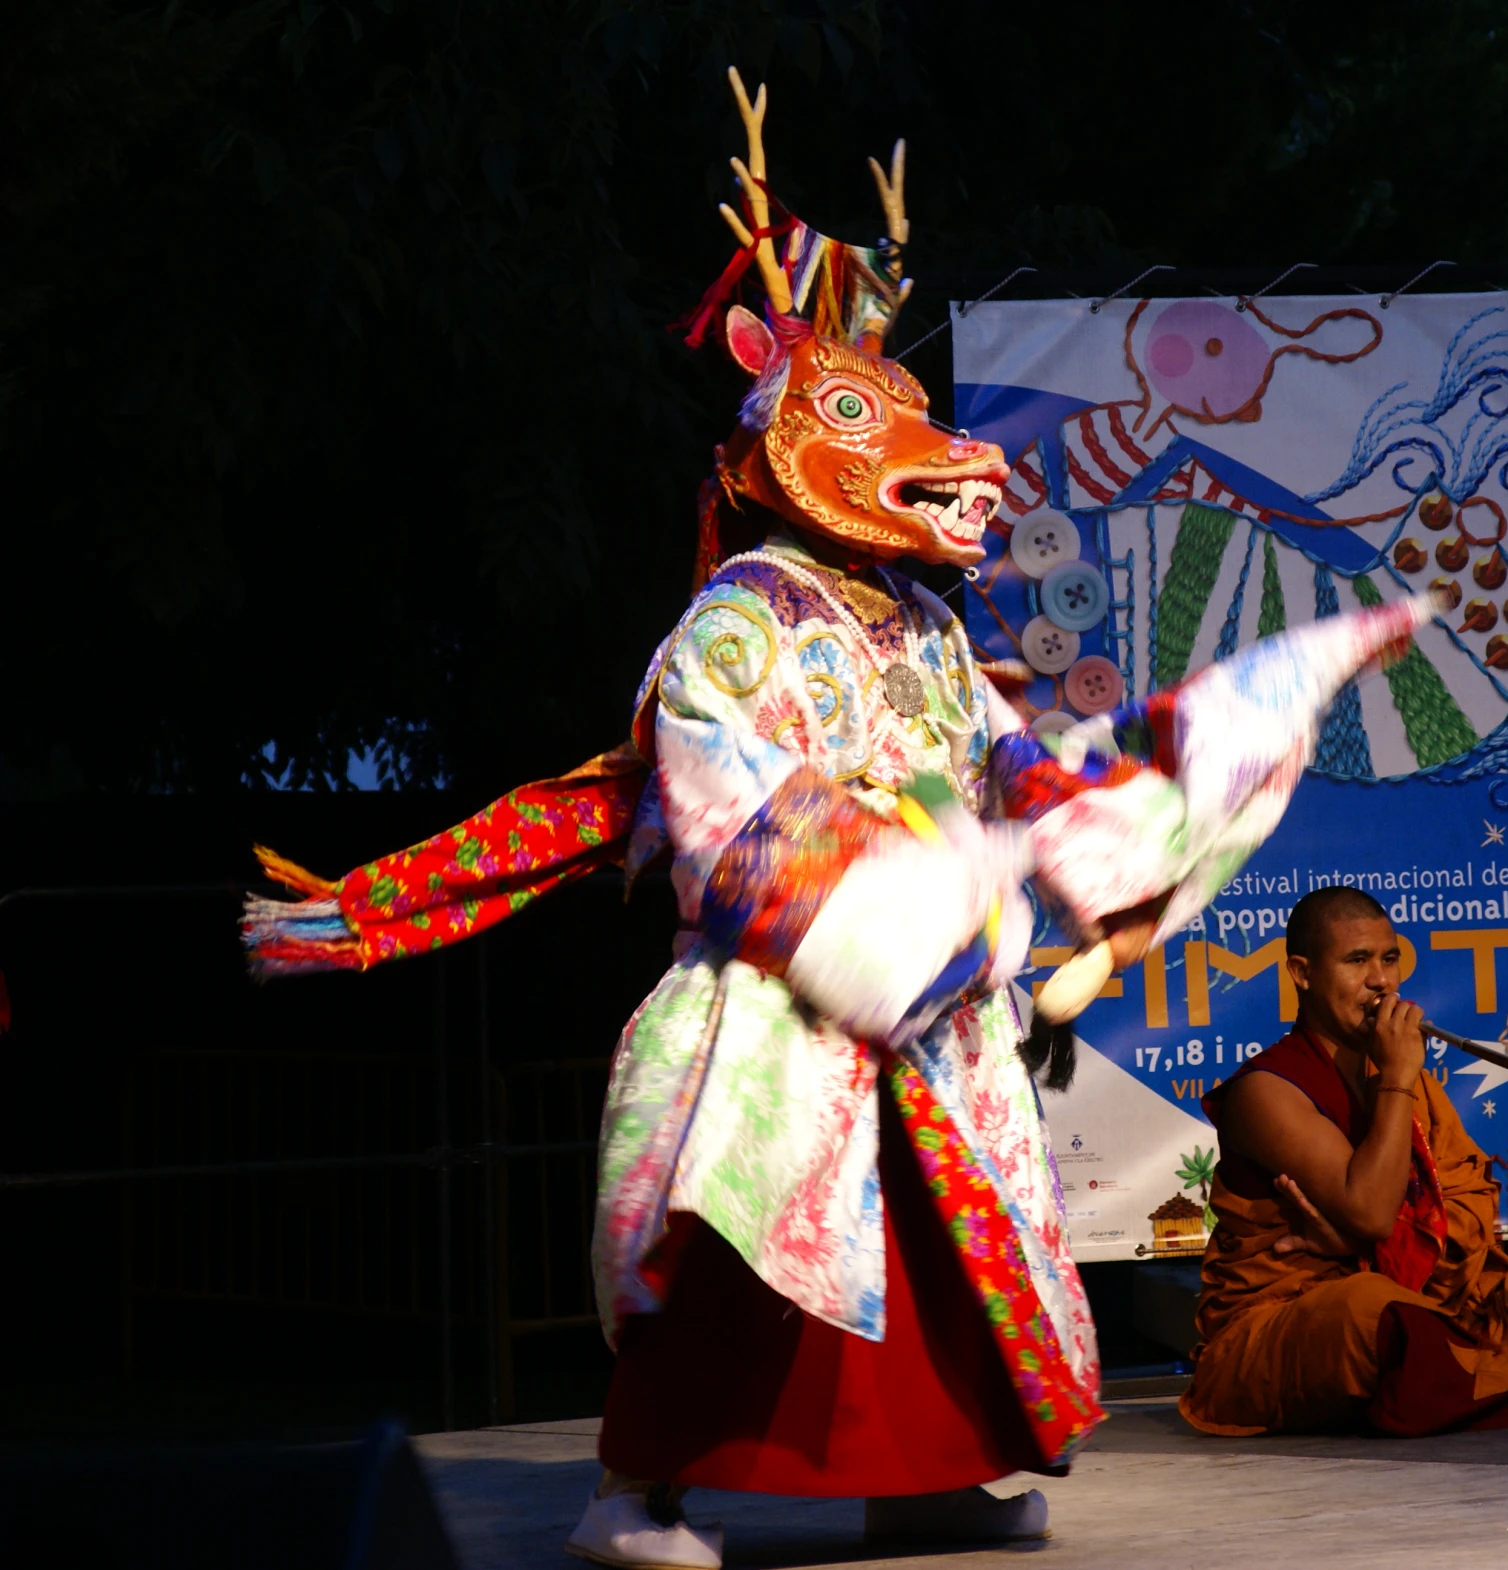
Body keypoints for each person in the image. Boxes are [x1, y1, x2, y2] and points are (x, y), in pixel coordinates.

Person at [240, 70, 1428, 1568]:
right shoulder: (739, 617)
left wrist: (1168, 778)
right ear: (783, 451)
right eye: (877, 424)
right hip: (785, 989)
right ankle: (638, 1492)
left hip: (925, 996)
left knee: (943, 1249)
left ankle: (919, 1476)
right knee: (742, 1239)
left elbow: (1022, 777)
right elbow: (718, 794)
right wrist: (886, 900)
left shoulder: (929, 628)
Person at [1178, 886, 1508, 1436]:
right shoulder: (1269, 1090)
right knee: (1374, 1315)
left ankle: (1479, 1386)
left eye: (1390, 958)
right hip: (1291, 1315)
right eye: (1357, 961)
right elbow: (1372, 1213)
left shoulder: (1406, 1082)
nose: (1382, 981)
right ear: (1301, 973)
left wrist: (1358, 1244)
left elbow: (1465, 1203)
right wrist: (1395, 1080)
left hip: (1435, 1293)